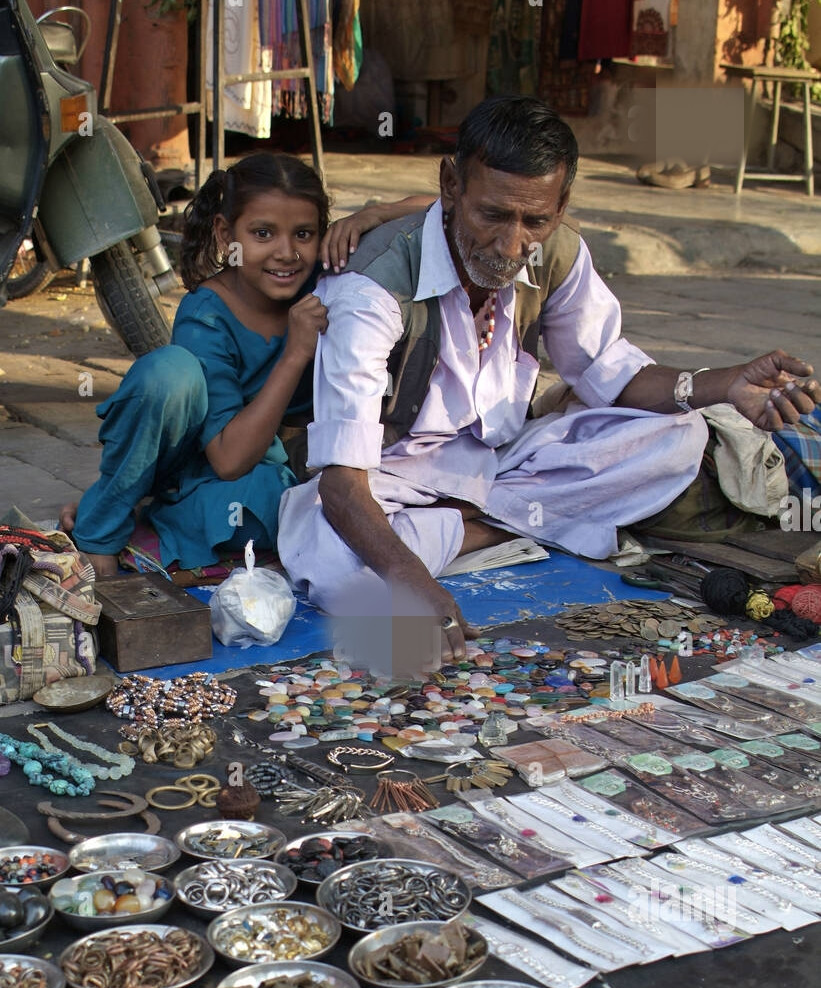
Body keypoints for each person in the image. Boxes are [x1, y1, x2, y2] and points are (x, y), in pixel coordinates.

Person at [276, 96, 820, 667]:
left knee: (678, 438)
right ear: (451, 184)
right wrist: (414, 581)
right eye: (492, 215)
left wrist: (726, 383)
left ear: (560, 207)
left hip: (503, 462)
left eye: (534, 221)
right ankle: (501, 529)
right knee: (334, 564)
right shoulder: (372, 292)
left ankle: (475, 526)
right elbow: (341, 481)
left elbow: (612, 370)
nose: (511, 246)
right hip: (387, 474)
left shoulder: (557, 255)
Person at [63, 154, 431, 578]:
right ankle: (102, 525)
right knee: (167, 374)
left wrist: (374, 214)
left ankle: (143, 513)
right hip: (201, 456)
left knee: (282, 504)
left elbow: (445, 210)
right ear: (225, 233)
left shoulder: (322, 270)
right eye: (262, 233)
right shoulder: (206, 315)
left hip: (266, 466)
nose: (286, 253)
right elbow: (227, 458)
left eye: (304, 234)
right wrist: (294, 354)